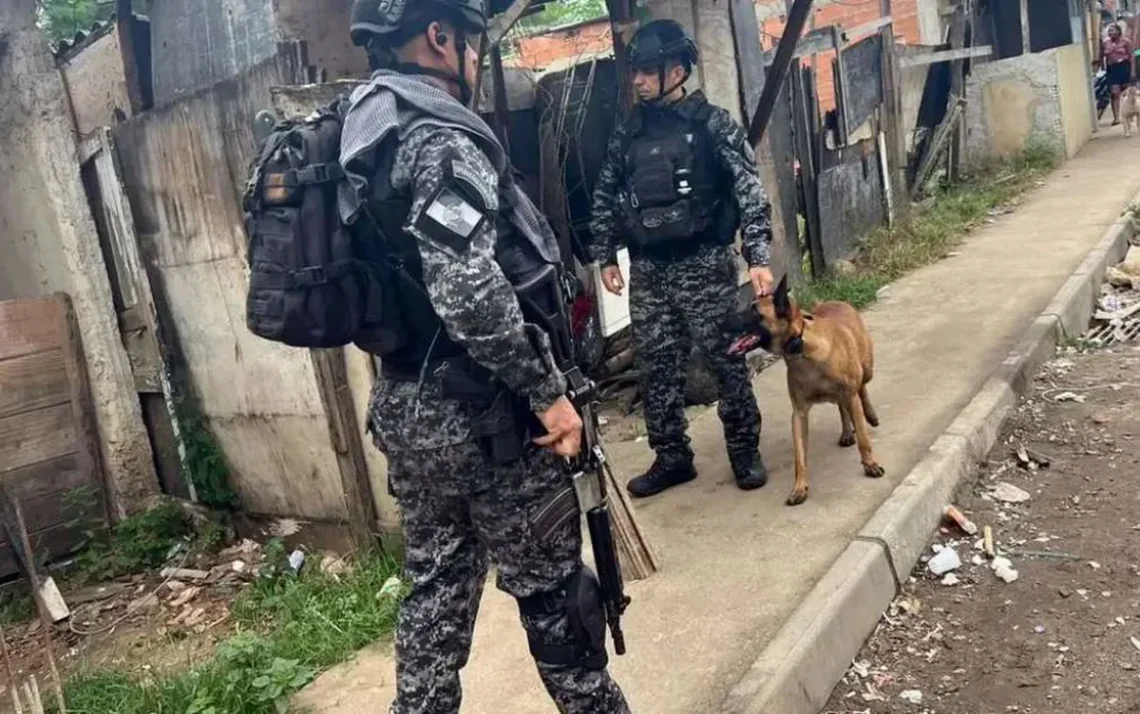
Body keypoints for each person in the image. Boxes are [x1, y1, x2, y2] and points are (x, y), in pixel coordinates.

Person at [341, 1, 631, 712]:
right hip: (491, 420)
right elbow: (467, 289)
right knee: (554, 598)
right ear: (441, 37)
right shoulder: (439, 138)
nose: (476, 58)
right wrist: (545, 392)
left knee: (435, 591)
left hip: (412, 411)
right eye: (472, 42)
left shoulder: (363, 135)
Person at [588, 19, 773, 499]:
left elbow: (750, 192)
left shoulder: (712, 124)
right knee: (656, 365)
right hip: (649, 269)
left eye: (648, 70)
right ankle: (672, 457)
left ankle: (744, 450)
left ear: (677, 69)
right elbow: (607, 191)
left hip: (705, 264)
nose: (638, 80)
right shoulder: (629, 131)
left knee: (725, 360)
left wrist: (757, 254)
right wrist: (605, 254)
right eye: (636, 72)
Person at [1103, 22, 1133, 126]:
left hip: (1124, 68)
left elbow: (1131, 56)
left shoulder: (1126, 42)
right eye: (1109, 31)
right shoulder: (1105, 42)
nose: (1110, 33)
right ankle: (1116, 118)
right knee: (1114, 93)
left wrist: (1132, 71)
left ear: (1118, 31)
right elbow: (1102, 55)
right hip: (1112, 69)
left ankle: (1129, 113)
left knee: (1127, 93)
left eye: (1113, 30)